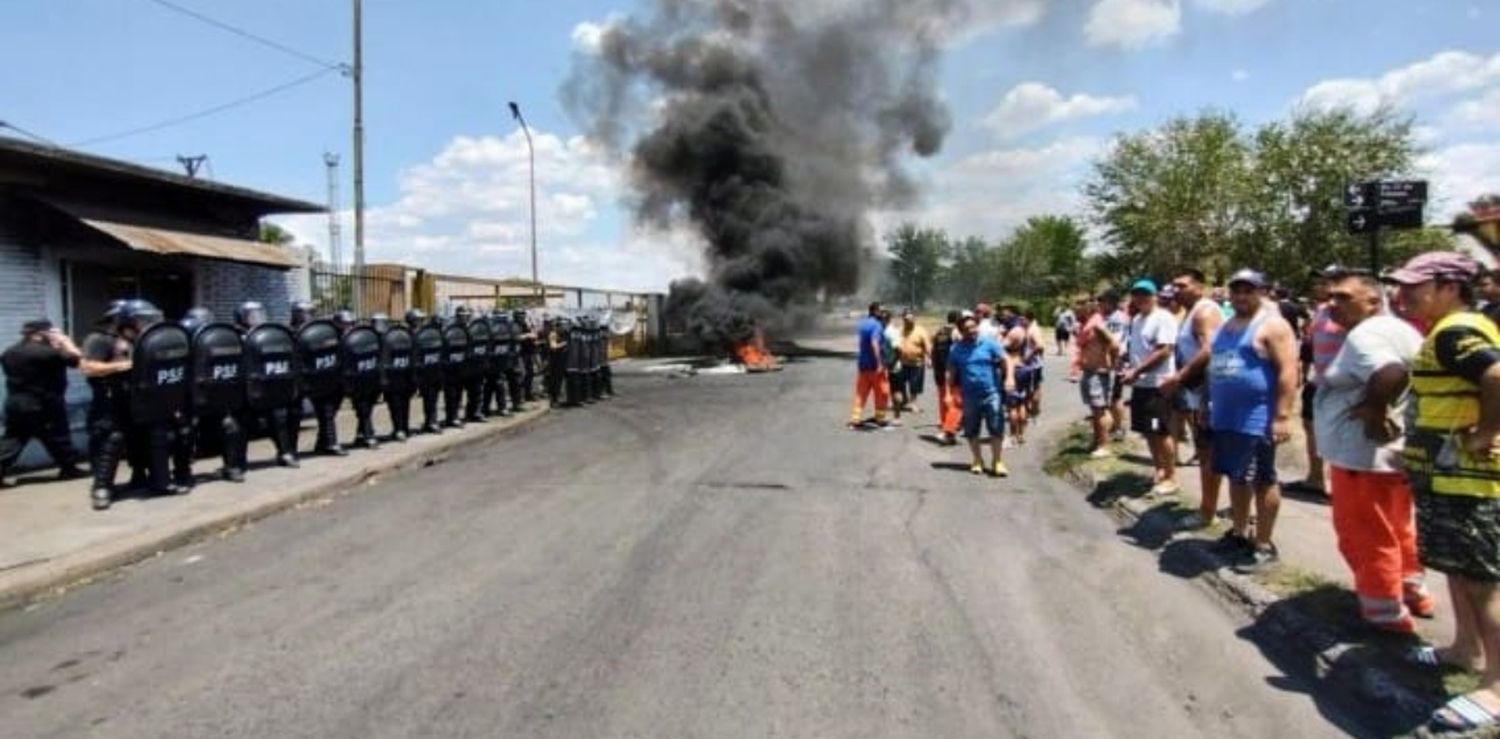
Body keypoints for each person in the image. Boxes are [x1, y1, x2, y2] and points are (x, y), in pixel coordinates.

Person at [1390, 251, 1500, 732]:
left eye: (1416, 285)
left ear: (1451, 287)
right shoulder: (1446, 329)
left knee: (1482, 579)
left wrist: (1483, 433)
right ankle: (1463, 648)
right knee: (1458, 569)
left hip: (1469, 481)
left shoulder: (1457, 331)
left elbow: (1497, 375)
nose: (1404, 293)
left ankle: (1497, 684)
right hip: (1445, 476)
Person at [1313, 270, 1432, 633]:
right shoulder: (1401, 328)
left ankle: (1384, 612)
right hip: (1391, 455)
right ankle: (1412, 588)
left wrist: (1373, 411)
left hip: (1362, 458)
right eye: (1331, 297)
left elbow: (1390, 372)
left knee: (1365, 532)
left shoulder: (1367, 334)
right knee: (1398, 527)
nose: (1333, 304)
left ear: (1373, 301)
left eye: (1344, 297)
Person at [1207, 269, 1298, 573]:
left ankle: (1263, 545)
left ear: (1261, 292)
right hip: (1225, 418)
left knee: (1262, 480)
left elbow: (1288, 371)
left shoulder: (1273, 326)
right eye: (1237, 290)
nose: (1241, 296)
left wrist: (1282, 416)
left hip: (1257, 419)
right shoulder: (1226, 325)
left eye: (1249, 290)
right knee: (1237, 477)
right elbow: (1217, 366)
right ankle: (1239, 533)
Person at [1161, 268, 1226, 528]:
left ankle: (1207, 512)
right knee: (1204, 449)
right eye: (1174, 286)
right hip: (1196, 389)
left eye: (1183, 285)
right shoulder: (1190, 313)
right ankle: (1207, 508)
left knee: (1208, 452)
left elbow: (1210, 350)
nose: (1177, 290)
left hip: (1207, 389)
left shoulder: (1204, 312)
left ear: (1199, 286)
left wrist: (1180, 376)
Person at [0, 319, 84, 485]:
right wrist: (64, 341)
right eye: (49, 333)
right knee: (58, 437)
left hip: (16, 402)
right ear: (39, 334)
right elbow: (76, 360)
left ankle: (69, 467)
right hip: (43, 403)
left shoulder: (9, 352)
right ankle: (69, 468)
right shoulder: (48, 353)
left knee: (13, 439)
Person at [1291, 266, 1347, 496]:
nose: (1320, 287)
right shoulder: (1321, 310)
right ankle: (1315, 478)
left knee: (1337, 433)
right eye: (1320, 282)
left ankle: (1340, 485)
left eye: (1326, 282)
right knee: (1310, 426)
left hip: (1340, 385)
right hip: (1318, 381)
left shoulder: (1346, 312)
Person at [1121, 279, 1180, 495]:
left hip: (1158, 385)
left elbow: (1164, 350)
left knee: (1159, 430)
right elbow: (1137, 349)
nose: (1141, 298)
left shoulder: (1163, 318)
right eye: (1137, 294)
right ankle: (1159, 471)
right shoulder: (1137, 319)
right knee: (1149, 431)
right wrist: (1129, 367)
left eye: (1145, 294)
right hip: (1141, 385)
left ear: (1155, 296)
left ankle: (1171, 476)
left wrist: (1136, 372)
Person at [948, 314, 1014, 477]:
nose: (972, 331)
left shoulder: (989, 343)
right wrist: (949, 393)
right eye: (967, 329)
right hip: (970, 395)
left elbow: (1006, 359)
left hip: (991, 393)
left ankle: (997, 461)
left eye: (973, 327)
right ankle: (977, 460)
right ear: (961, 331)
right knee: (971, 429)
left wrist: (1010, 378)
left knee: (996, 427)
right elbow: (951, 371)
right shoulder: (956, 349)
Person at [1076, 297, 1119, 457]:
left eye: (1080, 307)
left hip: (1098, 372)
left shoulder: (1097, 325)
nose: (1077, 310)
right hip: (1089, 371)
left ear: (1089, 309)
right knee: (1095, 410)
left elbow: (1114, 344)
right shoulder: (1087, 324)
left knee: (1100, 409)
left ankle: (1104, 445)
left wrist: (1111, 363)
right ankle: (1097, 441)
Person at [849, 302, 892, 429]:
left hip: (863, 366)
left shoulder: (863, 324)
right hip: (875, 367)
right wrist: (879, 362)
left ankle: (855, 419)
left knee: (860, 394)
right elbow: (874, 343)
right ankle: (880, 419)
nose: (883, 313)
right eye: (881, 311)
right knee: (882, 393)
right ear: (874, 311)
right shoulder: (877, 326)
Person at [1100, 292, 1131, 442]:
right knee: (1113, 396)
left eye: (1102, 302)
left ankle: (1118, 427)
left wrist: (1111, 363)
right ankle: (1114, 425)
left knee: (1115, 397)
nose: (1100, 305)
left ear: (1110, 303)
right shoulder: (1113, 317)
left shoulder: (1117, 319)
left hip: (1116, 364)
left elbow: (1115, 343)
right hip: (1114, 363)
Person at [931, 310, 961, 445]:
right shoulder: (956, 333)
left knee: (943, 402)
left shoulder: (938, 333)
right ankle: (949, 431)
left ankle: (945, 428)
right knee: (955, 403)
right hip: (953, 374)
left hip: (939, 372)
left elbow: (933, 353)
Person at [896, 310, 930, 415]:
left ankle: (913, 403)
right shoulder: (900, 330)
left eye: (910, 319)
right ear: (903, 319)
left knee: (914, 385)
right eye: (906, 319)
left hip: (917, 363)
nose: (908, 321)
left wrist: (929, 358)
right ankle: (904, 399)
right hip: (902, 363)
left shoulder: (921, 331)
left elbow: (927, 345)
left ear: (914, 319)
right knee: (899, 384)